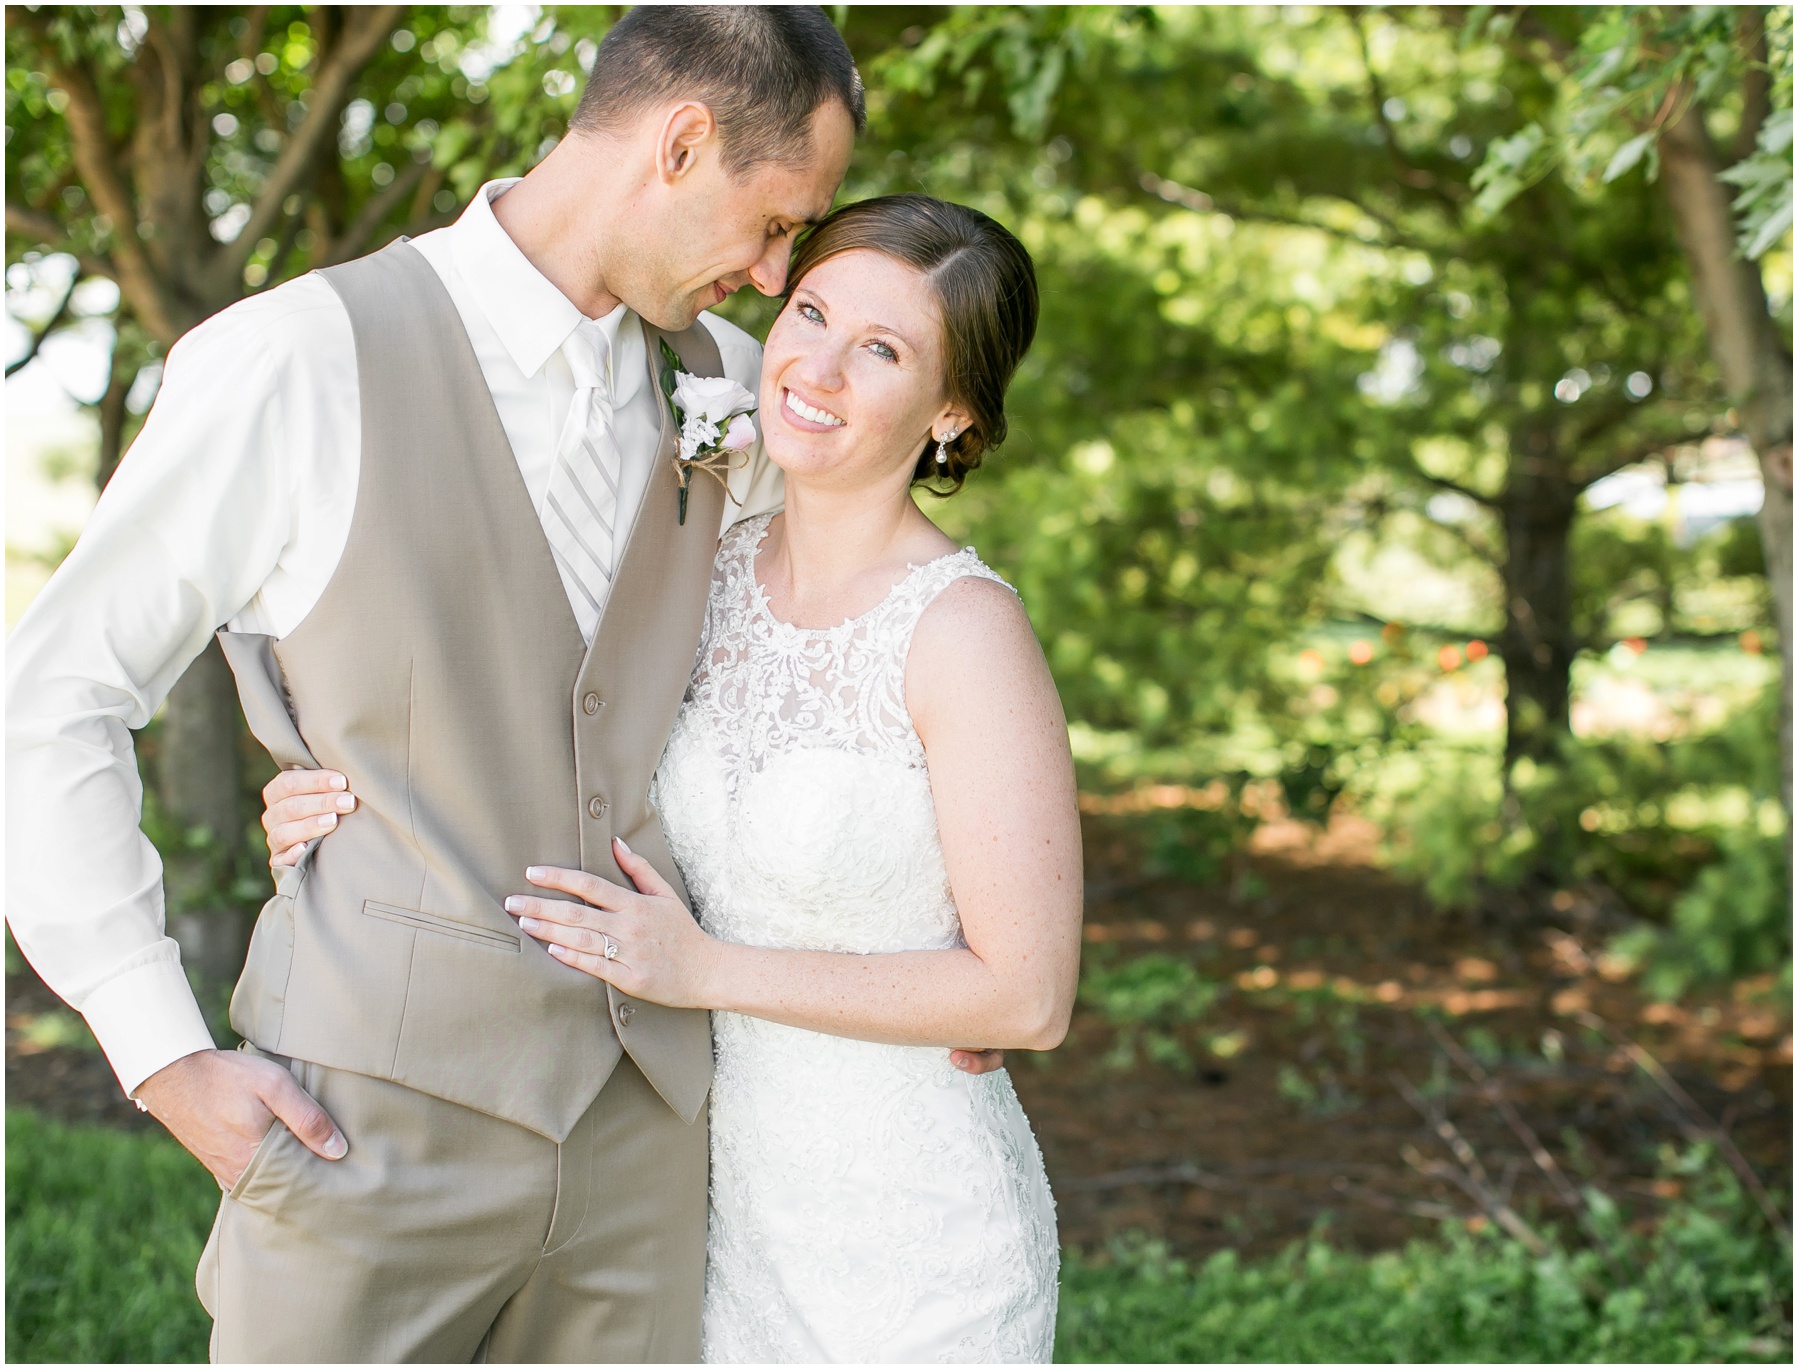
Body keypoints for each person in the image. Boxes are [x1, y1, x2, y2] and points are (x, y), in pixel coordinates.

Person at [5, 8, 1000, 1361]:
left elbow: (865, 617)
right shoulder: (298, 358)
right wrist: (158, 1049)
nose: (778, 280)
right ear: (683, 142)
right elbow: (51, 696)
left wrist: (932, 951)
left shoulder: (726, 389)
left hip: (649, 1151)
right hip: (366, 1128)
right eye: (778, 226)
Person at [264, 193, 1079, 1362]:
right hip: (715, 1212)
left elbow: (1025, 996)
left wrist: (703, 969)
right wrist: (327, 802)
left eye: (883, 350)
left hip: (908, 1230)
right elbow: (546, 748)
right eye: (810, 311)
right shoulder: (710, 561)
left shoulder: (961, 631)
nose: (818, 366)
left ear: (950, 412)